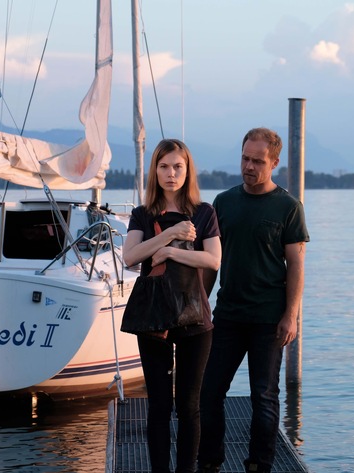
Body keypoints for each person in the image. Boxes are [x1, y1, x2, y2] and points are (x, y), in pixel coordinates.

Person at [196, 128, 309, 473]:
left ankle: (259, 464)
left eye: (257, 161)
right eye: (245, 158)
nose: (249, 166)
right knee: (209, 391)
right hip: (227, 314)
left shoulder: (288, 207)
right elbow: (213, 262)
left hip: (268, 320)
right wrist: (200, 304)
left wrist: (291, 316)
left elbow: (297, 266)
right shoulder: (224, 202)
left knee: (264, 396)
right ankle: (210, 461)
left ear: (274, 163)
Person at [123, 138, 222, 473]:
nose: (171, 173)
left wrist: (170, 252)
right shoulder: (142, 214)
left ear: (187, 169)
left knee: (190, 405)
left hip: (195, 317)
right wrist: (170, 234)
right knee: (159, 406)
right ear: (155, 170)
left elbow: (213, 260)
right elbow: (130, 258)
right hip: (155, 319)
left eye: (178, 166)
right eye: (164, 166)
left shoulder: (204, 212)